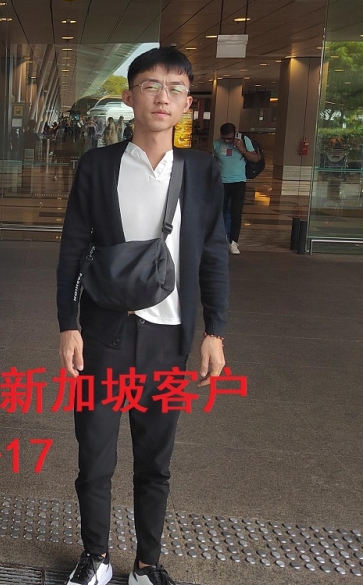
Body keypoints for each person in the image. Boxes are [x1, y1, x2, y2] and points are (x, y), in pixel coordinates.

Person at [56, 47, 229, 585]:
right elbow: (72, 248)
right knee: (94, 456)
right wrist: (68, 324)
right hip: (104, 332)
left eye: (175, 89)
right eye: (151, 86)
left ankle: (148, 564)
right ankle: (96, 555)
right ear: (130, 97)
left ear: (187, 104)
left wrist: (215, 331)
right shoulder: (98, 165)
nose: (163, 97)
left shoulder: (202, 171)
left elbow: (214, 253)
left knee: (155, 461)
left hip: (168, 337)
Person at [212, 123, 259, 255]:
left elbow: (255, 158)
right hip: (222, 182)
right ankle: (221, 240)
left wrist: (242, 149)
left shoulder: (244, 140)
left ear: (234, 134)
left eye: (229, 138)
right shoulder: (216, 144)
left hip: (239, 182)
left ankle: (234, 242)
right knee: (219, 212)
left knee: (236, 213)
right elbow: (215, 161)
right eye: (224, 138)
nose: (227, 141)